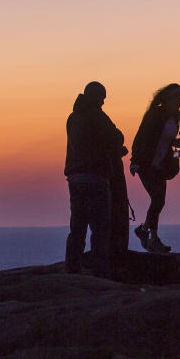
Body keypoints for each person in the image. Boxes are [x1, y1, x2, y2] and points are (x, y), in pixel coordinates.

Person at [64, 81, 125, 278]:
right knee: (100, 230)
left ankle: (72, 270)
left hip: (75, 179)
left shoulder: (72, 118)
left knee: (77, 228)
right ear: (96, 96)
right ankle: (100, 273)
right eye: (102, 98)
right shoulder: (97, 116)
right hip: (96, 179)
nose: (103, 103)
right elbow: (116, 137)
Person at [130, 83, 180, 253]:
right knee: (158, 200)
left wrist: (176, 149)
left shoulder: (176, 116)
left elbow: (169, 143)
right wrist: (135, 160)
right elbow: (141, 137)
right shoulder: (155, 114)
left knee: (159, 201)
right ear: (169, 99)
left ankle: (143, 230)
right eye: (178, 100)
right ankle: (153, 238)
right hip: (146, 164)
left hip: (161, 165)